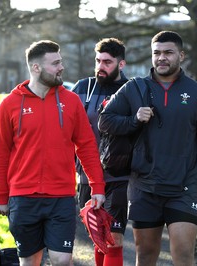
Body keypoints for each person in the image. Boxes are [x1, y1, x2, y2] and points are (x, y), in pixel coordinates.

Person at [98, 31, 197, 266]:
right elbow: (105, 121)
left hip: (183, 187)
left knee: (184, 253)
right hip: (144, 187)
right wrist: (133, 120)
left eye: (168, 52)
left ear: (181, 55)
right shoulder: (135, 88)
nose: (161, 58)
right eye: (156, 53)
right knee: (145, 255)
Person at [0, 40, 106, 266]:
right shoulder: (10, 104)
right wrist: (2, 197)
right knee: (29, 262)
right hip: (23, 198)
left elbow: (86, 147)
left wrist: (97, 186)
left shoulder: (71, 101)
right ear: (36, 68)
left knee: (62, 260)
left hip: (61, 197)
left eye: (60, 61)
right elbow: (0, 154)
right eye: (55, 63)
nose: (61, 67)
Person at [72, 37, 129, 266]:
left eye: (107, 62)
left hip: (119, 175)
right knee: (98, 238)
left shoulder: (131, 90)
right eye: (97, 60)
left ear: (121, 64)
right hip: (86, 175)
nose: (100, 66)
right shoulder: (82, 88)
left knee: (114, 239)